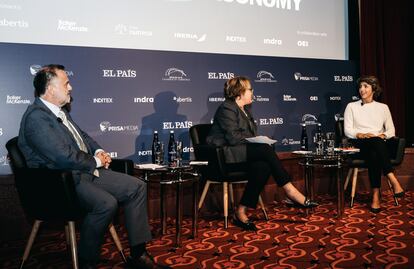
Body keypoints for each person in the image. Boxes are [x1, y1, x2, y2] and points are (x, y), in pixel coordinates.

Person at [17, 64, 170, 269]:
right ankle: (87, 261)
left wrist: (97, 151)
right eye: (66, 83)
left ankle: (138, 255)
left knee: (136, 187)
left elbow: (83, 137)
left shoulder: (59, 112)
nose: (70, 88)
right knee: (105, 204)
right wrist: (96, 161)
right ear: (51, 89)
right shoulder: (36, 117)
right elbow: (62, 156)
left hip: (82, 172)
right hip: (59, 182)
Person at [206, 76, 318, 231]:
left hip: (240, 152)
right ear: (240, 92)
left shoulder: (245, 110)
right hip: (224, 157)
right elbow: (233, 138)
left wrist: (259, 139)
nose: (252, 92)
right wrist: (257, 141)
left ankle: (241, 210)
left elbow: (246, 137)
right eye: (250, 89)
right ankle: (290, 191)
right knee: (265, 149)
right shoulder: (227, 108)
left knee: (263, 166)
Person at [344, 75, 404, 213]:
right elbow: (348, 130)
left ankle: (376, 195)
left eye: (365, 86)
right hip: (360, 145)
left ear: (373, 89)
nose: (362, 89)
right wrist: (361, 134)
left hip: (379, 145)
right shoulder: (351, 106)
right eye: (360, 86)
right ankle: (392, 178)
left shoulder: (383, 107)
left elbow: (391, 130)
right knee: (374, 144)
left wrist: (382, 135)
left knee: (375, 150)